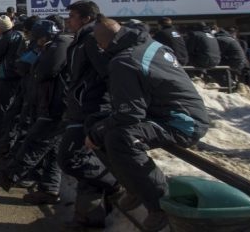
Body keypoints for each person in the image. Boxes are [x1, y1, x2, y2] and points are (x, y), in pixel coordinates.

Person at [89, 18, 209, 232]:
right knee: (98, 126)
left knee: (117, 138)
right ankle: (135, 186)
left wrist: (96, 133)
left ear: (101, 44)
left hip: (182, 121)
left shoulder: (124, 61)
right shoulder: (148, 43)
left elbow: (130, 114)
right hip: (169, 113)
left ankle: (158, 204)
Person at [0, 20, 71, 205]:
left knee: (36, 141)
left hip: (55, 105)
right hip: (52, 103)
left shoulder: (58, 47)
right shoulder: (55, 46)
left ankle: (12, 175)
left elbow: (43, 71)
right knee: (51, 149)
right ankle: (49, 189)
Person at [56, 1, 119, 230]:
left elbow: (108, 73)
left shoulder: (93, 39)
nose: (68, 20)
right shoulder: (82, 39)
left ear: (85, 18)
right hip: (81, 108)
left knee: (69, 158)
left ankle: (114, 183)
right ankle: (88, 216)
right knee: (84, 161)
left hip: (93, 111)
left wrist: (90, 98)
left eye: (72, 16)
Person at [0, 15, 24, 143]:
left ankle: (0, 137)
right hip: (18, 74)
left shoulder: (6, 38)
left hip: (7, 75)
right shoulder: (19, 35)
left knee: (2, 107)